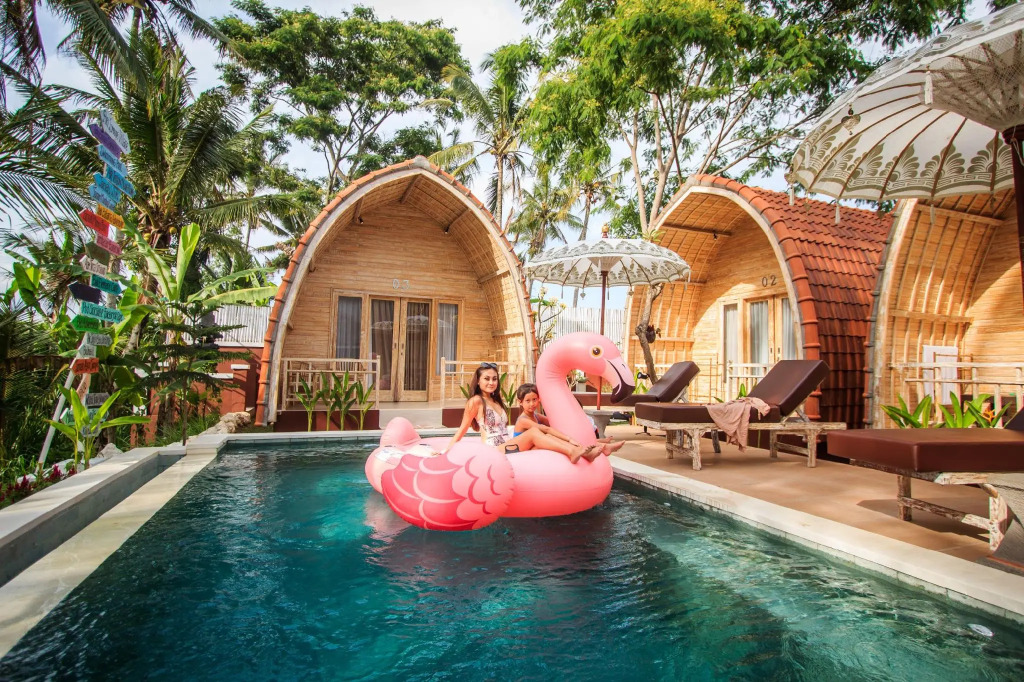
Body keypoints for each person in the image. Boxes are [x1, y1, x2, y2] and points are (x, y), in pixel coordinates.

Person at [444, 363, 598, 463]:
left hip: (509, 444)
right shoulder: (476, 401)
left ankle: (585, 453)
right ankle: (572, 452)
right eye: (487, 379)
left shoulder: (496, 401)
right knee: (534, 432)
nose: (491, 382)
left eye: (494, 379)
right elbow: (462, 429)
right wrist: (446, 452)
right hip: (494, 449)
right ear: (478, 381)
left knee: (545, 440)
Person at [514, 383, 624, 457]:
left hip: (533, 447)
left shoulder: (537, 416)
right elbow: (546, 429)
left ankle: (600, 446)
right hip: (521, 450)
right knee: (550, 437)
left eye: (534, 399)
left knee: (559, 435)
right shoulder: (522, 420)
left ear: (539, 399)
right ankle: (597, 446)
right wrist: (569, 439)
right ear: (520, 402)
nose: (532, 404)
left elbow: (556, 423)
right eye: (528, 401)